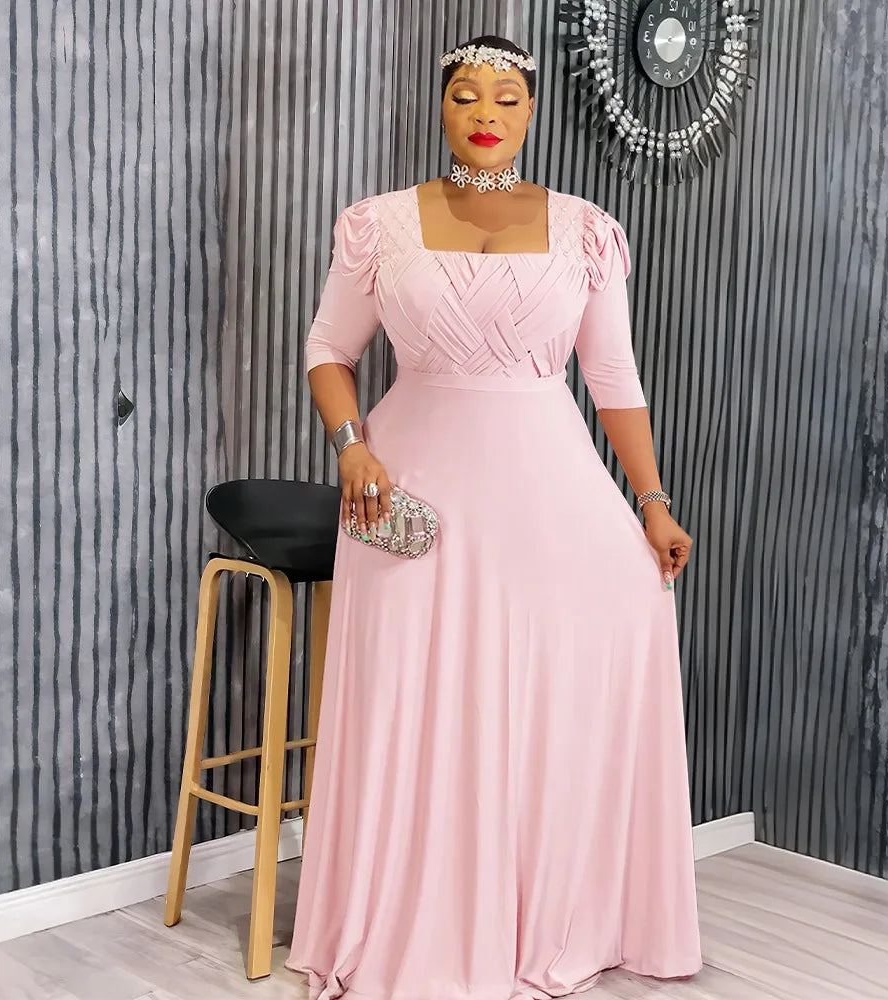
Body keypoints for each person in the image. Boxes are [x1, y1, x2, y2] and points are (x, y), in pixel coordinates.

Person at [286, 33, 703, 1000]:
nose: (485, 111)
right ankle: (418, 919)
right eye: (467, 93)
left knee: (615, 617)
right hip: (409, 490)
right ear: (441, 106)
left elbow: (613, 379)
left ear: (530, 112)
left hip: (547, 486)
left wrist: (652, 503)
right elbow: (328, 349)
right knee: (412, 698)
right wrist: (350, 446)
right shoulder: (379, 224)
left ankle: (552, 904)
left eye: (507, 97)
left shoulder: (586, 230)